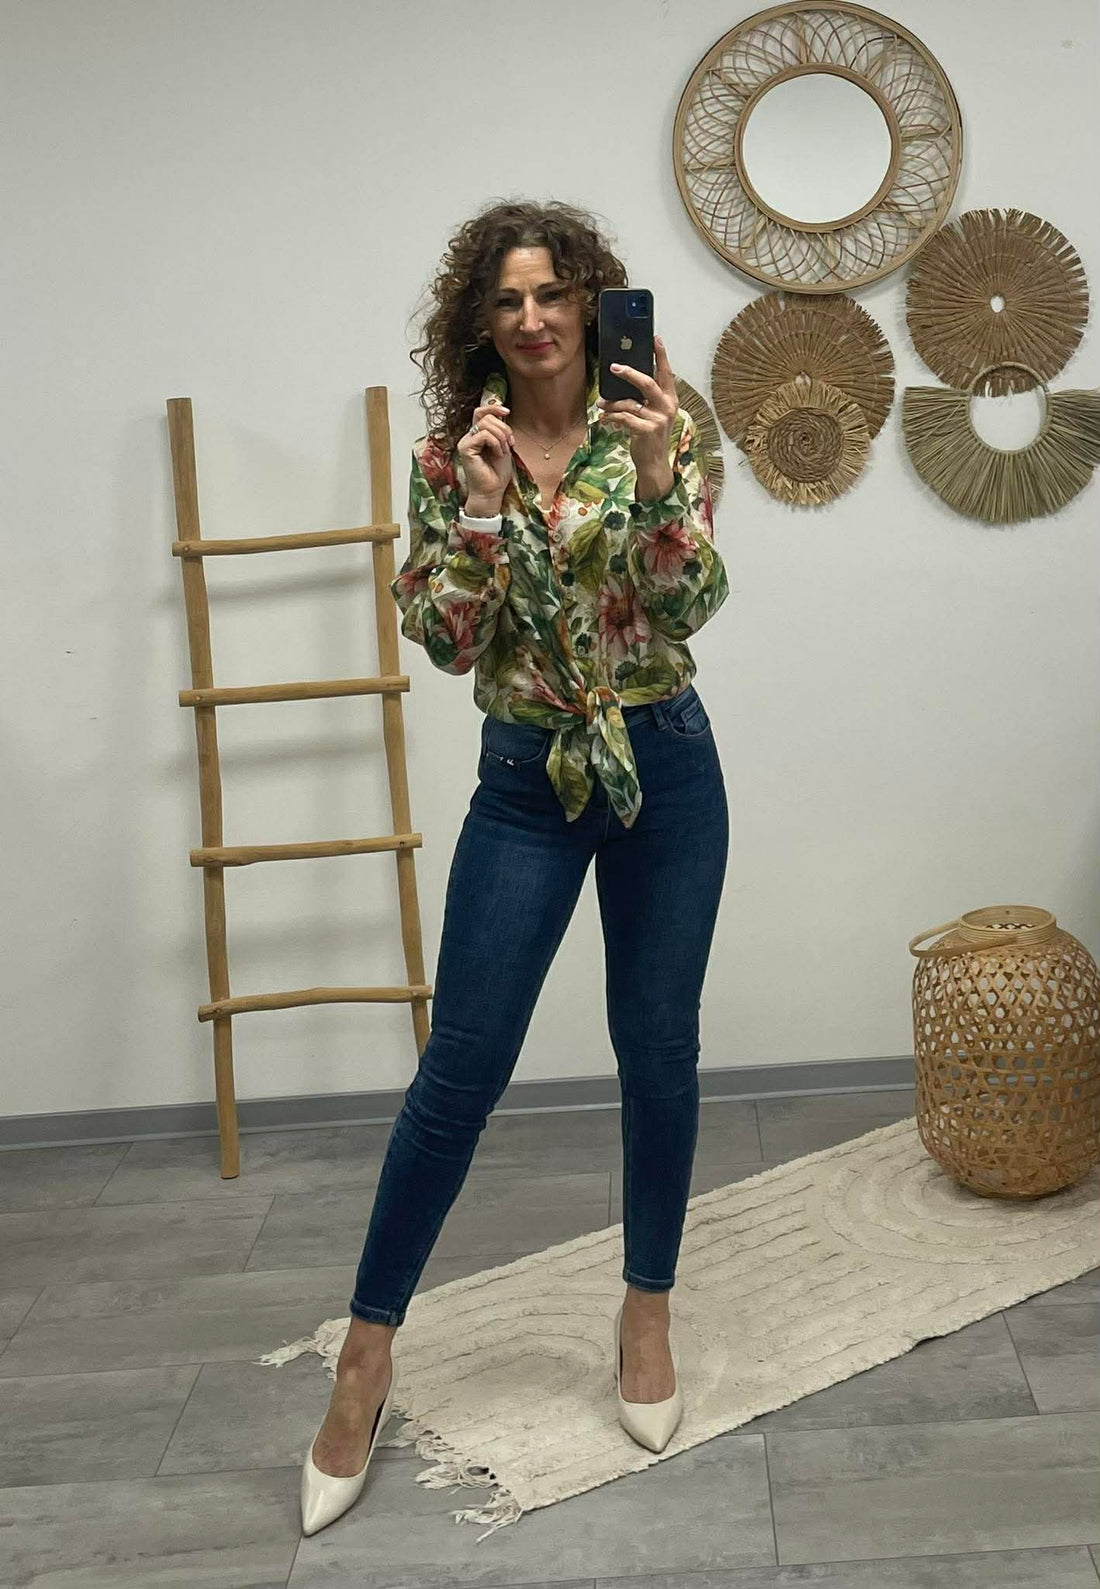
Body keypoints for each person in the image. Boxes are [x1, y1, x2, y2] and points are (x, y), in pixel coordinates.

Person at [301, 198, 730, 1531]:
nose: (535, 319)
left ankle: (645, 1309)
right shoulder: (454, 457)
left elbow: (695, 603)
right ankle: (366, 1354)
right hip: (528, 780)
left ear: (593, 300)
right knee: (461, 1070)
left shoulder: (666, 419)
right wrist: (485, 516)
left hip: (665, 763)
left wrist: (657, 481)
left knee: (658, 1048)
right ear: (479, 324)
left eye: (553, 293)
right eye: (508, 300)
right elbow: (442, 640)